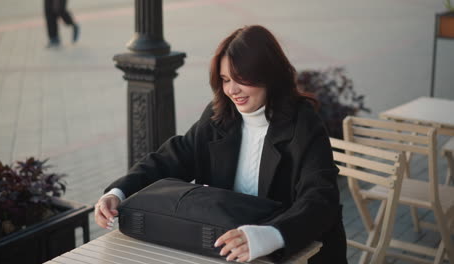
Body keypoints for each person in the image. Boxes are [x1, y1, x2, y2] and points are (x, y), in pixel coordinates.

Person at [94, 25, 347, 263]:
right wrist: (118, 192)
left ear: (269, 74)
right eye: (225, 79)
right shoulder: (220, 117)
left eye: (241, 78)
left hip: (297, 253)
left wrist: (271, 234)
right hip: (227, 250)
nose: (232, 90)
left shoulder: (302, 122)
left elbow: (320, 198)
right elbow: (170, 158)